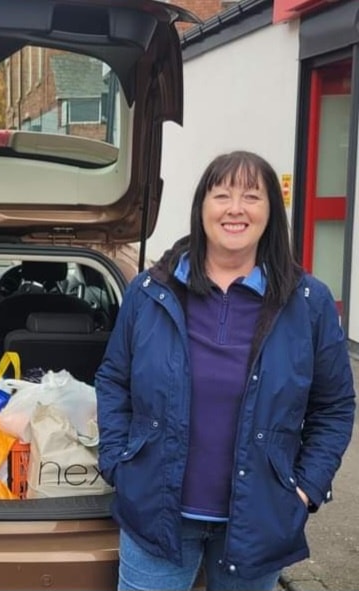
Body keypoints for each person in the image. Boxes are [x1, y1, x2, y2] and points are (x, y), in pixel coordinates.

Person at [95, 150, 355, 591]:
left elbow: (334, 406)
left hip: (259, 520)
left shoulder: (308, 303)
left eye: (251, 196)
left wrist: (305, 488)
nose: (236, 208)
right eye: (222, 195)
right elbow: (113, 380)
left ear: (271, 212)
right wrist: (118, 462)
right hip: (155, 514)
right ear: (202, 208)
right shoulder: (150, 292)